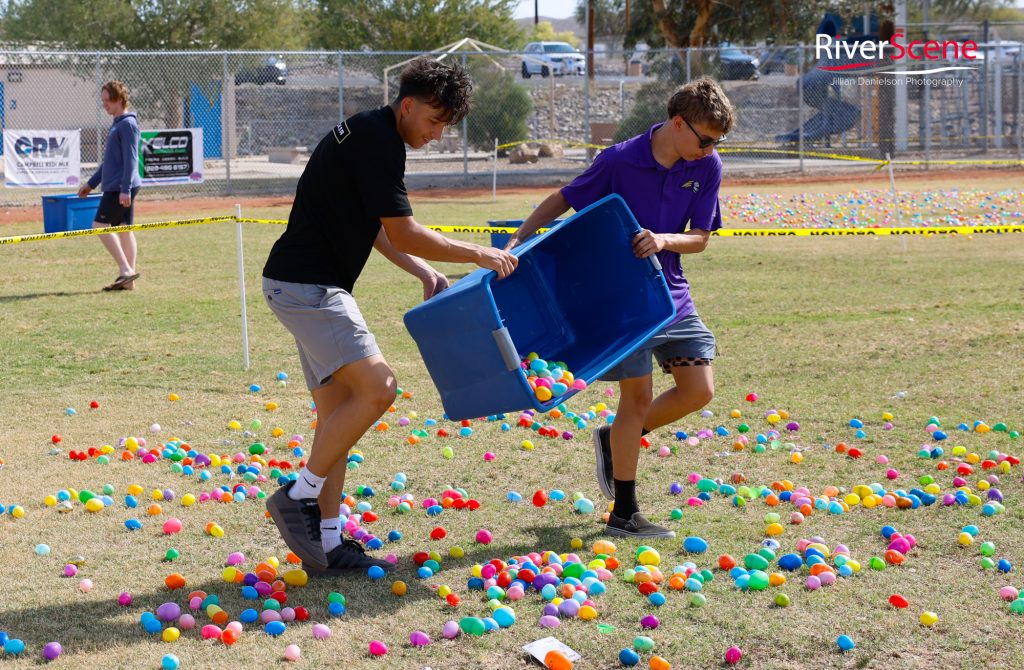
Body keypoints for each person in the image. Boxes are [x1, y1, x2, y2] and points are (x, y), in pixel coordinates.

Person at [262, 57, 517, 574]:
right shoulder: (379, 141)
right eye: (434, 122)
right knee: (379, 388)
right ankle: (297, 495)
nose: (437, 135)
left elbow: (377, 228)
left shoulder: (366, 132)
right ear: (408, 105)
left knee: (337, 417)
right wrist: (477, 253)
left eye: (445, 128)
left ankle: (328, 543)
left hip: (298, 284)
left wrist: (422, 271)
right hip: (309, 287)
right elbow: (403, 230)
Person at [505, 77, 735, 540]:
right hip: (622, 303)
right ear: (677, 123)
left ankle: (616, 439)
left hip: (671, 293)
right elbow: (565, 198)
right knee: (637, 399)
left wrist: (664, 239)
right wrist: (516, 240)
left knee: (699, 390)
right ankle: (624, 513)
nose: (710, 149)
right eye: (706, 139)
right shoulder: (619, 160)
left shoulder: (707, 166)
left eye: (717, 142)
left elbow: (701, 238)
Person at [78, 80, 142, 291]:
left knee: (99, 227)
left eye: (108, 100)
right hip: (118, 185)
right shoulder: (117, 123)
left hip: (119, 187)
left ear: (120, 100)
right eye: (103, 100)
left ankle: (126, 270)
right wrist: (91, 183)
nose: (104, 104)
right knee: (124, 230)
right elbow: (110, 162)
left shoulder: (127, 124)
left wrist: (125, 189)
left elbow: (131, 160)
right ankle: (128, 282)